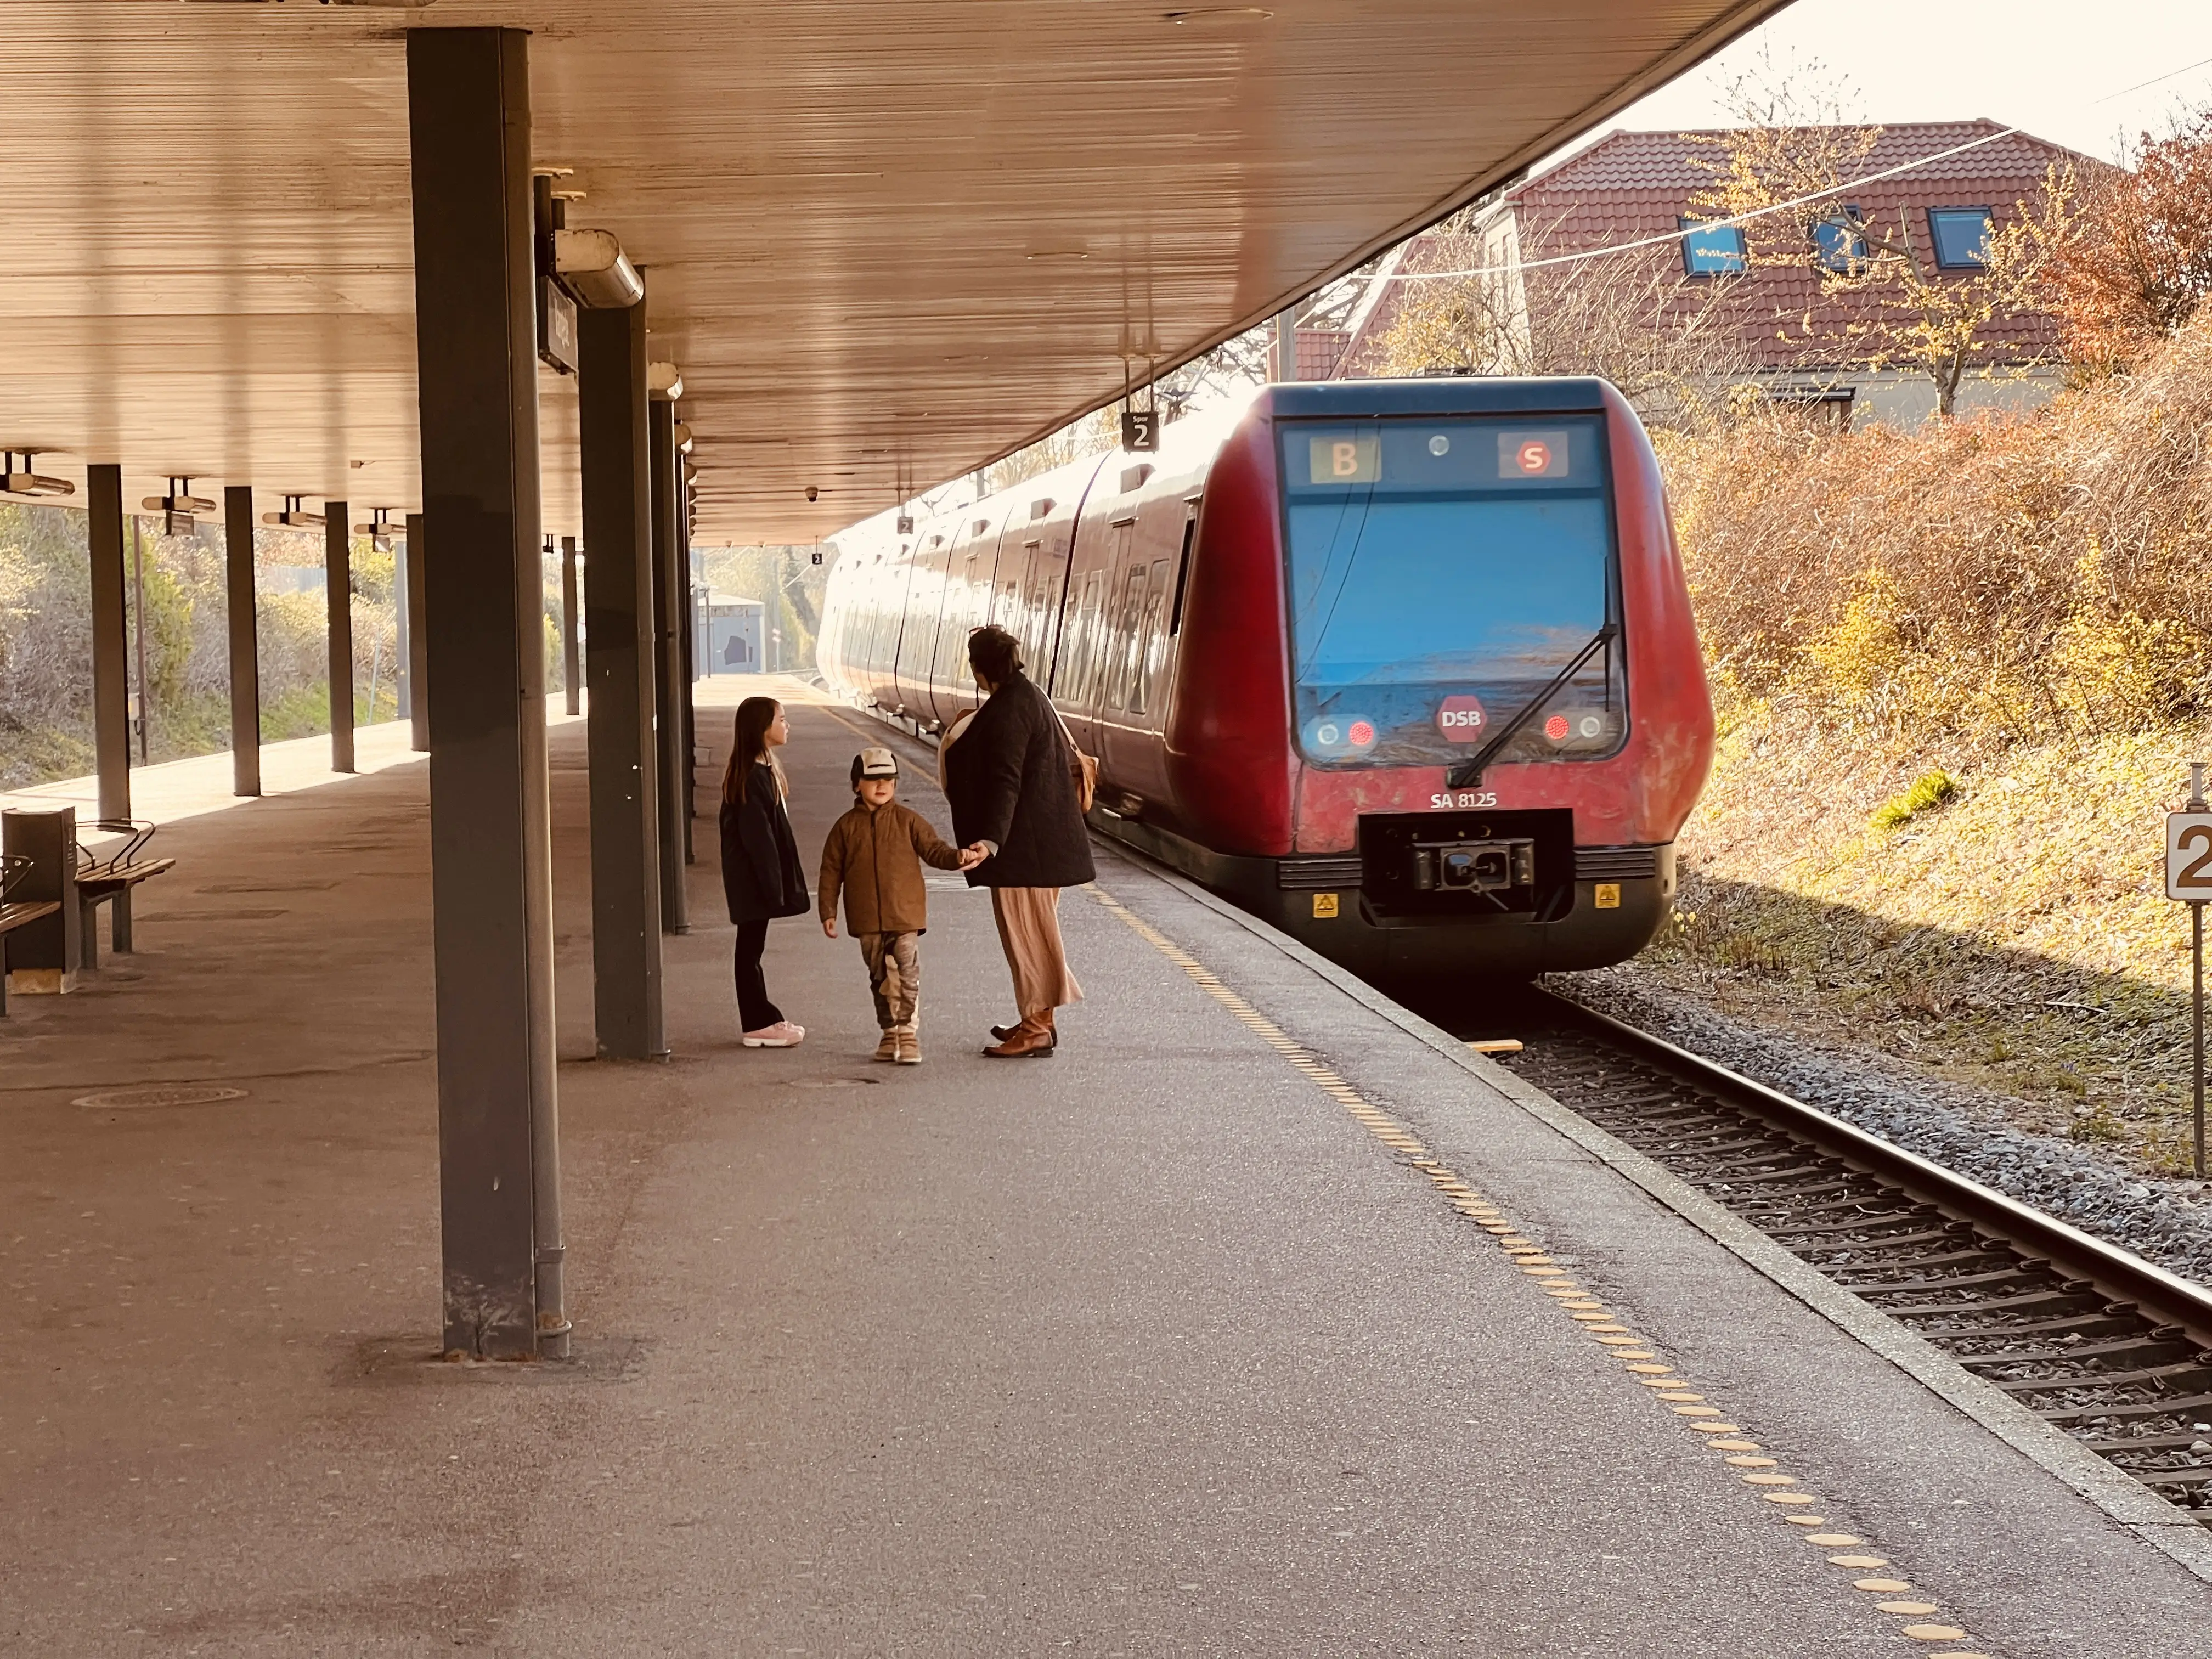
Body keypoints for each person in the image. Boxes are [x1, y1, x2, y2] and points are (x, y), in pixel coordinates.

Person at [941, 624, 1096, 1058]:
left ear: (978, 669)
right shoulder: (1027, 696)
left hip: (1026, 850)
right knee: (1034, 936)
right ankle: (1036, 1015)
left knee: (1028, 938)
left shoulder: (1010, 709)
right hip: (1041, 845)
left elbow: (1006, 780)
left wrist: (990, 841)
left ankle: (1037, 1028)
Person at [818, 747, 979, 1065]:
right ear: (856, 785)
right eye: (873, 779)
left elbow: (934, 850)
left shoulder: (909, 821)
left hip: (905, 915)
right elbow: (830, 871)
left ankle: (907, 1033)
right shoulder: (845, 828)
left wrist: (956, 857)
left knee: (906, 974)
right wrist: (828, 912)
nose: (882, 785)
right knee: (879, 978)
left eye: (889, 780)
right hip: (866, 918)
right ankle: (888, 1031)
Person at [719, 696, 809, 1047]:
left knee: (751, 950)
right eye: (782, 719)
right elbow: (761, 841)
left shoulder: (759, 769)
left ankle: (764, 1017)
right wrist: (774, 889)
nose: (787, 725)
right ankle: (757, 1023)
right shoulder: (752, 778)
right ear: (762, 728)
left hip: (753, 881)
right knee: (749, 951)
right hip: (753, 882)